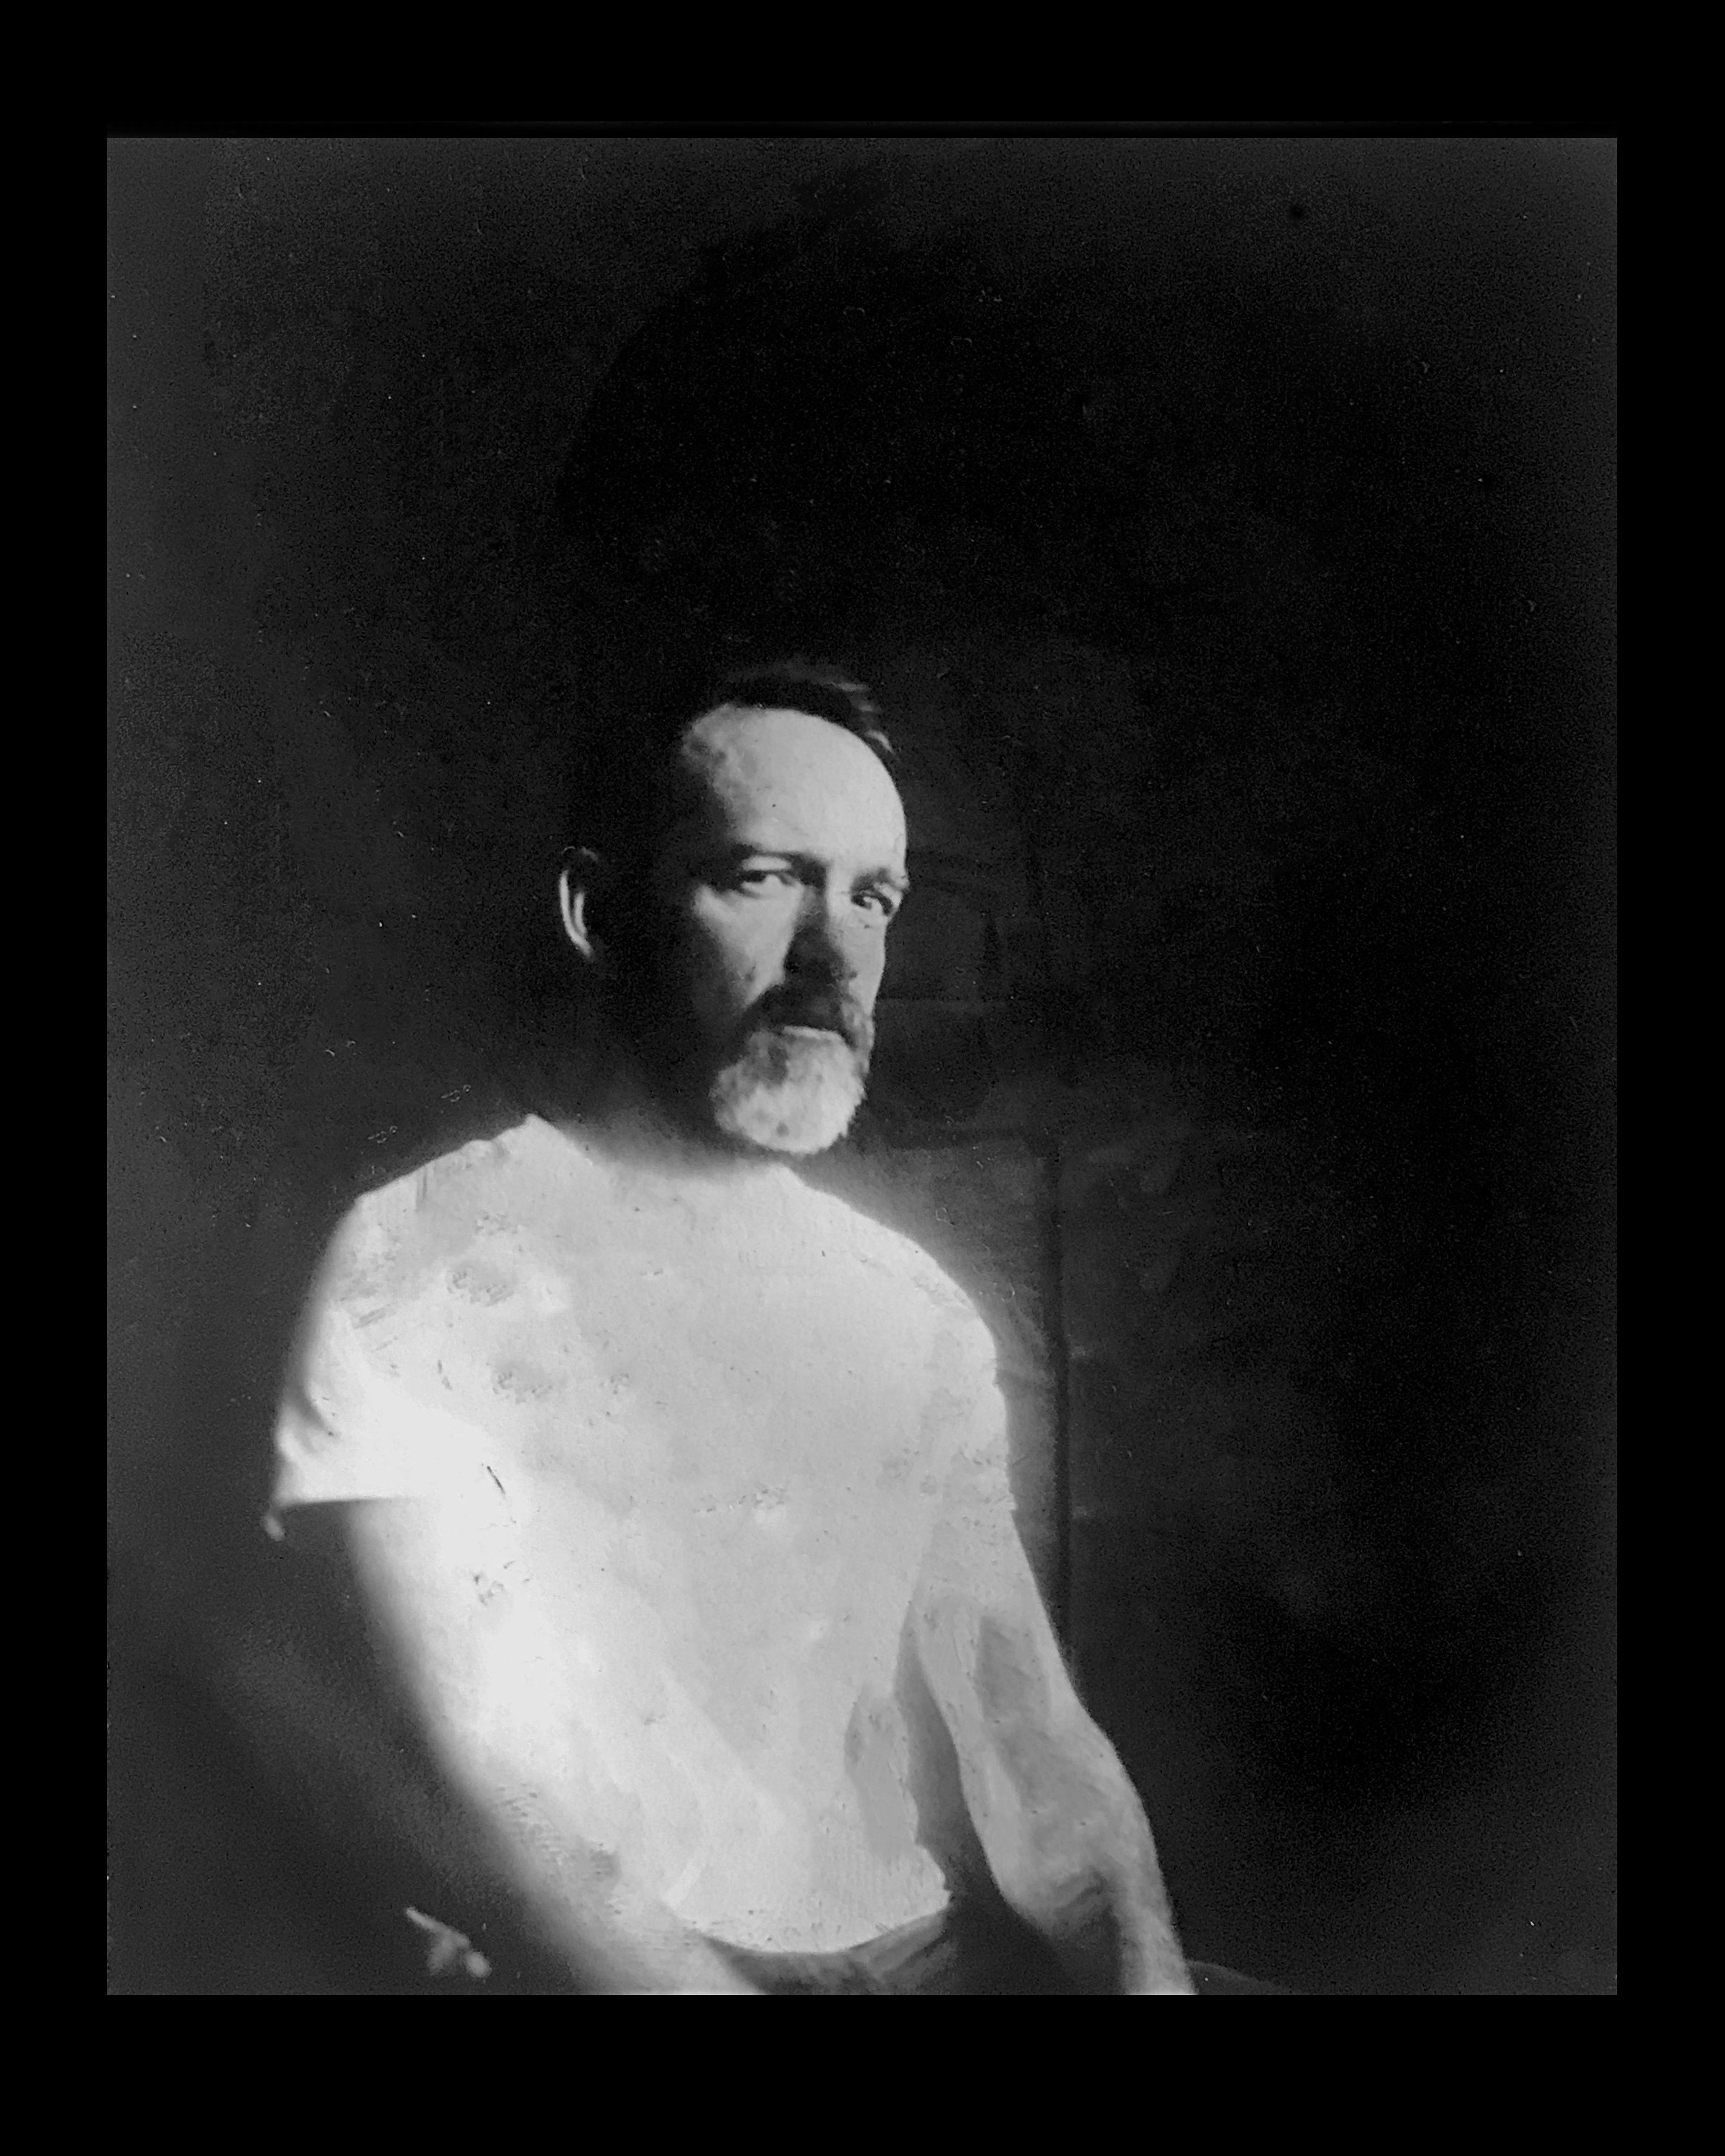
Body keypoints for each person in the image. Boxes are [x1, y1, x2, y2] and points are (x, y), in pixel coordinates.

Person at [265, 663, 1198, 1996]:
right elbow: (485, 1806)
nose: (836, 954)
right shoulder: (418, 1258)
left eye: (873, 897)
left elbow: (1032, 1744)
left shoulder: (909, 1312)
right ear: (598, 913)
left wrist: (1145, 1980)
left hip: (907, 1958)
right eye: (766, 878)